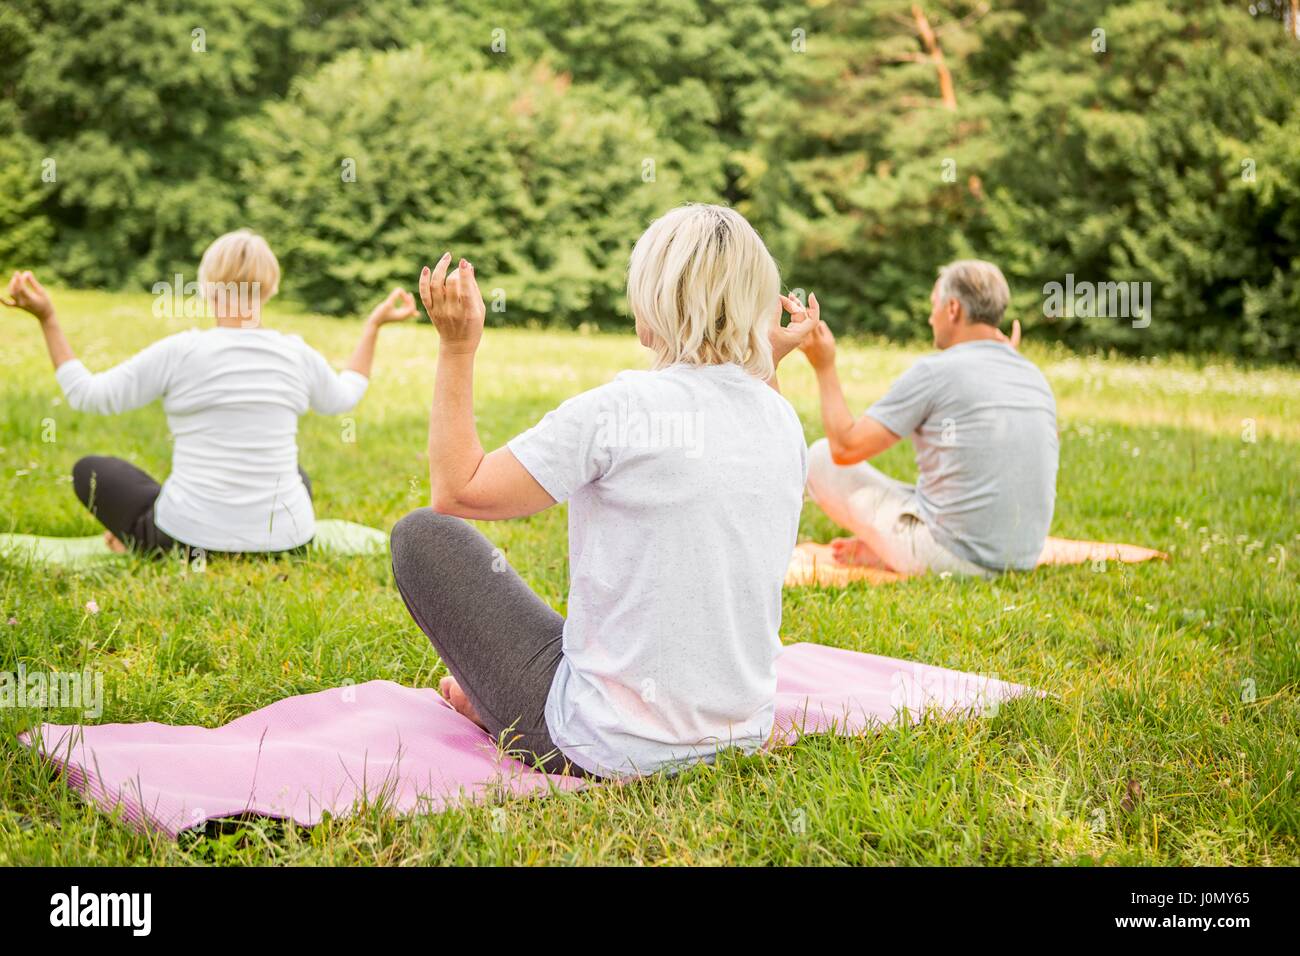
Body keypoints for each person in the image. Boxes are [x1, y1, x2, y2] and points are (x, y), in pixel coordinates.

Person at [390, 204, 816, 779]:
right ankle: (497, 702)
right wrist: (760, 357)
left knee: (425, 535)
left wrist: (457, 347)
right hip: (741, 736)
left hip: (606, 745)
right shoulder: (783, 421)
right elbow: (731, 421)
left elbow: (458, 490)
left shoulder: (620, 410)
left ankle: (502, 712)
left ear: (649, 308)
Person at [2, 229, 416, 556]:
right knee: (295, 475)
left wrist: (48, 318)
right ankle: (250, 534)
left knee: (91, 469)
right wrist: (372, 327)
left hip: (185, 541)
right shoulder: (295, 353)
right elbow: (346, 396)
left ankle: (139, 535)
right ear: (270, 289)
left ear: (205, 287)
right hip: (288, 542)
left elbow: (87, 394)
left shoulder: (181, 350)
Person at [799, 259, 1058, 577]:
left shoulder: (936, 371)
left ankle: (904, 549)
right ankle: (892, 547)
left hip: (954, 559)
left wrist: (823, 365)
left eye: (933, 304)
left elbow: (845, 448)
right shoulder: (1033, 375)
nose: (929, 316)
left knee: (820, 457)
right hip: (1022, 558)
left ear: (953, 309)